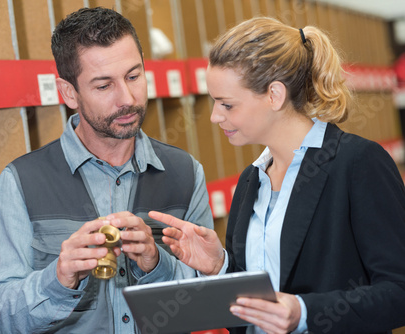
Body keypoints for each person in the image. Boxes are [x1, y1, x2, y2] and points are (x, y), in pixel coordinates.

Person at [150, 17, 405, 334]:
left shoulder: (357, 163)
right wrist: (221, 266)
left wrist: (305, 312)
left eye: (227, 104)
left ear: (274, 95)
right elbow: (264, 289)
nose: (215, 116)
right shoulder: (251, 179)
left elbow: (398, 292)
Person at [0, 7, 213, 334]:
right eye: (104, 86)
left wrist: (156, 266)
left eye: (133, 76)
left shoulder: (186, 174)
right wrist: (58, 278)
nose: (127, 99)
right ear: (69, 93)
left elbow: (207, 306)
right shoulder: (21, 182)